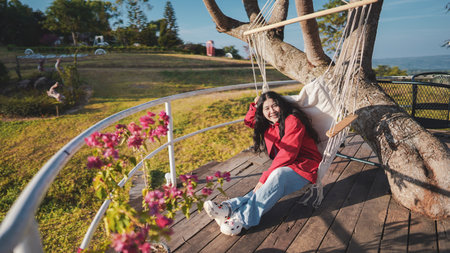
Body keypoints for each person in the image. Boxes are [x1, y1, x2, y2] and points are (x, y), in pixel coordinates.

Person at [204, 91, 322, 236]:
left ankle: (242, 219)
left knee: (276, 176)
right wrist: (256, 104)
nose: (272, 111)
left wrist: (264, 176)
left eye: (275, 106)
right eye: (267, 108)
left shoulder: (292, 120)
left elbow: (288, 153)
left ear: (281, 105)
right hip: (288, 165)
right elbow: (249, 121)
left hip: (305, 165)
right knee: (271, 181)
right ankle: (229, 207)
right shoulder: (268, 124)